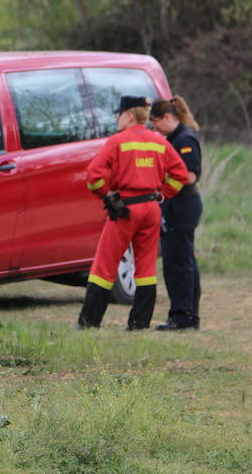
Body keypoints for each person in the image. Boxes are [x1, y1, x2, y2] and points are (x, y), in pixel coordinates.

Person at [78, 96, 190, 329]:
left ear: (129, 115)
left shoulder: (118, 141)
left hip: (126, 209)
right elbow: (181, 174)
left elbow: (93, 177)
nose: (117, 119)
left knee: (104, 265)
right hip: (151, 208)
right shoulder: (159, 141)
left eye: (119, 114)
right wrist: (163, 194)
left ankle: (89, 322)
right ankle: (139, 323)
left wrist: (106, 195)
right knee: (146, 267)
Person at [150, 96, 203, 330]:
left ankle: (183, 316)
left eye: (155, 123)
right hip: (176, 205)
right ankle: (186, 315)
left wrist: (161, 183)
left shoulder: (184, 140)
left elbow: (190, 175)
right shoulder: (173, 138)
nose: (154, 129)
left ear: (168, 117)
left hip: (182, 206)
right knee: (182, 260)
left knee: (178, 263)